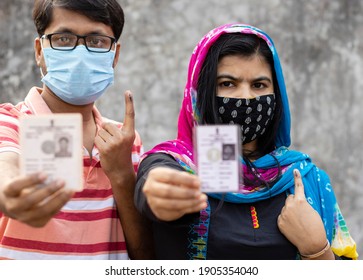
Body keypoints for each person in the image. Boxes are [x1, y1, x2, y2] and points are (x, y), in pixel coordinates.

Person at [134, 23, 358, 260]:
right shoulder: (175, 164)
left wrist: (316, 249)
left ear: (276, 93)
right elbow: (155, 186)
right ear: (202, 92)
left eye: (259, 85)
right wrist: (160, 191)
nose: (246, 97)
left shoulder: (305, 178)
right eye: (227, 84)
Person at [0, 0, 153, 260]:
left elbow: (145, 257)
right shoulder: (9, 122)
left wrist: (122, 175)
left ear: (114, 55)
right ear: (40, 51)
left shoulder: (125, 140)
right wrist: (11, 190)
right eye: (63, 39)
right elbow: (7, 164)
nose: (79, 53)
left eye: (96, 41)